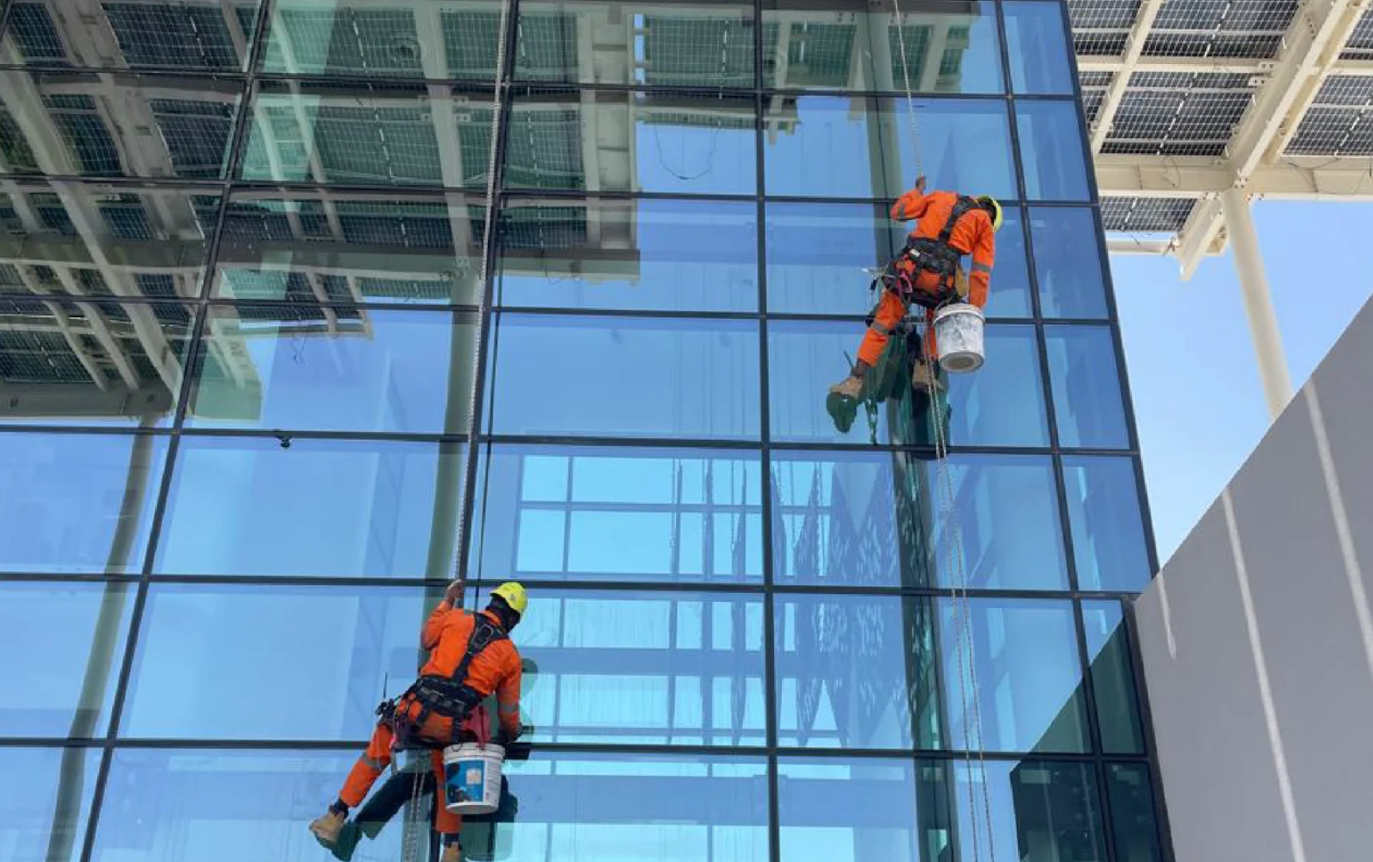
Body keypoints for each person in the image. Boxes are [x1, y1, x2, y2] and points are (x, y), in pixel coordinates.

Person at [309, 581, 528, 862]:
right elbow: (508, 711)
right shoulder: (510, 656)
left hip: (415, 711)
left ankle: (335, 817)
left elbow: (427, 638)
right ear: (513, 618)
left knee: (376, 755)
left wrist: (447, 601)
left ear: (493, 602)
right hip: (453, 728)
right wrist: (513, 732)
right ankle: (450, 850)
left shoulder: (457, 618)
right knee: (446, 778)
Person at [829, 177, 1001, 400]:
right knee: (939, 319)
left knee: (882, 324)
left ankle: (855, 379)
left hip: (909, 271)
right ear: (992, 217)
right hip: (940, 281)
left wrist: (916, 193)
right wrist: (975, 310)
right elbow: (981, 271)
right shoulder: (983, 222)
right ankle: (923, 370)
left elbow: (898, 212)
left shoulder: (940, 196)